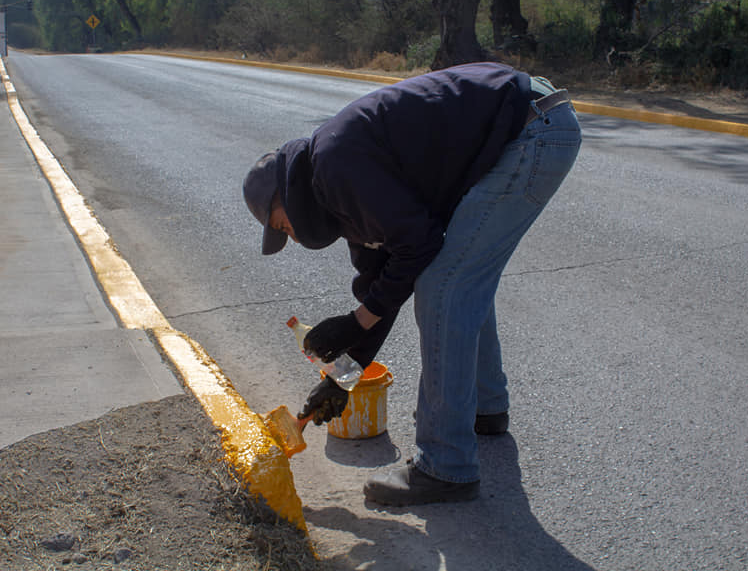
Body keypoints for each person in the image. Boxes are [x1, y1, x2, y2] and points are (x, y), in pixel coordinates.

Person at [243, 62, 581, 506]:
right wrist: (345, 376)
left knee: (445, 286)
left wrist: (354, 322)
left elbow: (419, 247)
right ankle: (485, 407)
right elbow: (382, 289)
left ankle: (446, 466)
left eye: (281, 226)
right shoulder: (341, 202)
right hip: (533, 124)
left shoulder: (335, 165)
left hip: (531, 130)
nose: (289, 235)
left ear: (286, 196)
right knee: (461, 276)